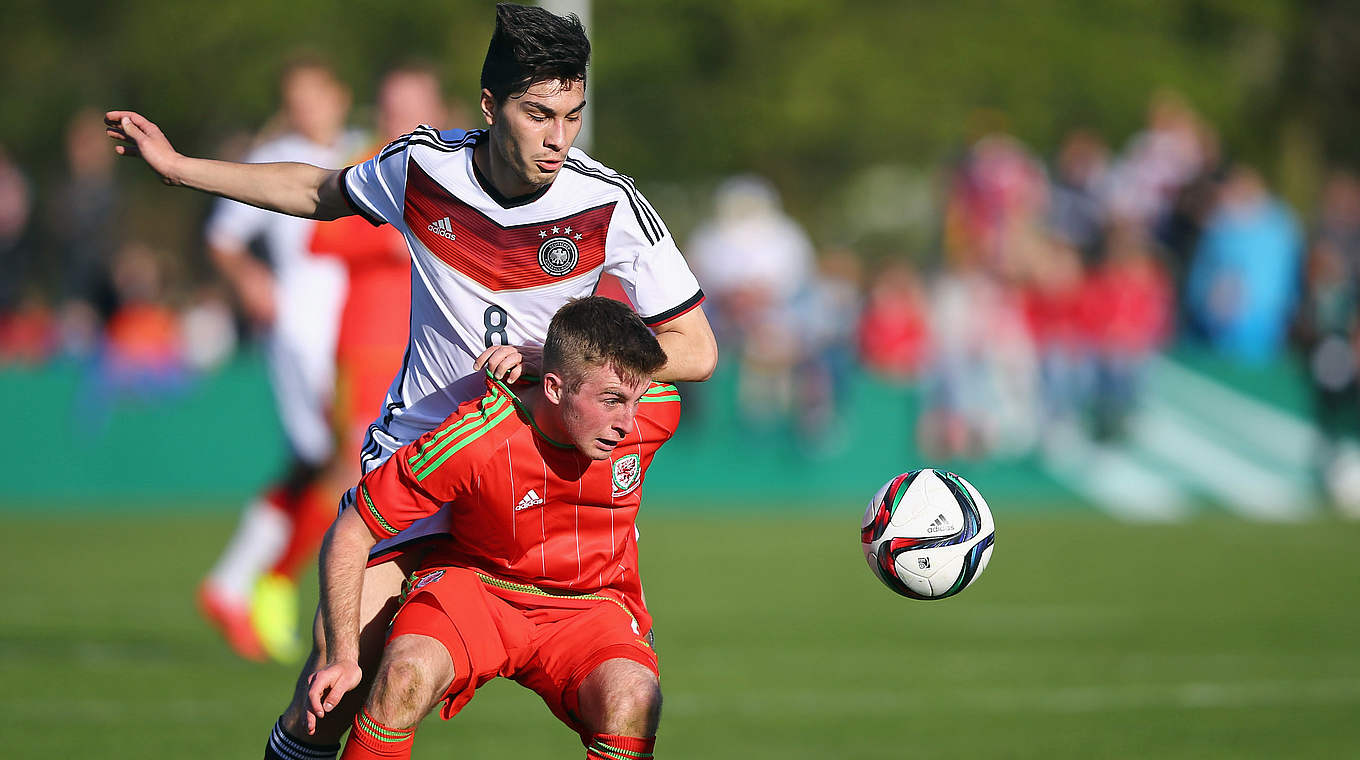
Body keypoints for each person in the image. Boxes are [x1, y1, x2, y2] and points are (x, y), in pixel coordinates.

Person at [106, 4, 717, 757]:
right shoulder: (422, 167)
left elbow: (696, 348)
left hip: (521, 483)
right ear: (491, 106)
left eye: (573, 115)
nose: (560, 138)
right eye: (539, 114)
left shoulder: (608, 203)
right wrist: (179, 168)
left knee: (620, 699)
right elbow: (316, 191)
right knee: (328, 701)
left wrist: (552, 358)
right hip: (418, 462)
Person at [308, 296, 674, 759]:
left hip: (590, 604)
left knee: (635, 700)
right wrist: (343, 656)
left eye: (635, 400)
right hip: (479, 590)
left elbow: (700, 353)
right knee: (402, 677)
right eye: (611, 401)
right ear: (556, 388)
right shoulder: (477, 439)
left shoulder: (651, 413)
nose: (627, 422)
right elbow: (352, 529)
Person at [194, 56, 367, 663]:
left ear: (339, 96)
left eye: (315, 94)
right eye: (296, 96)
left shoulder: (357, 149)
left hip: (351, 334)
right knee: (337, 461)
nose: (307, 107)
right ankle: (268, 582)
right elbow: (222, 237)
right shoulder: (283, 156)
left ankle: (233, 585)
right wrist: (249, 281)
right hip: (301, 331)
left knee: (315, 462)